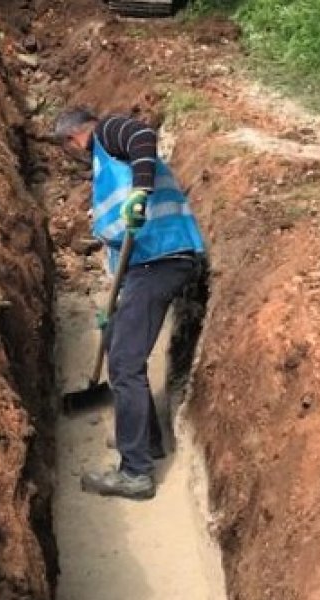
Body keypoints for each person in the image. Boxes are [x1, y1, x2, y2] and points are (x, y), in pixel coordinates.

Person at [54, 106, 208, 501]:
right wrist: (116, 303)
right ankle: (148, 443)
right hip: (145, 267)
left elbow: (143, 138)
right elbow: (120, 243)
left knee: (124, 363)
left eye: (67, 147)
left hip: (164, 257)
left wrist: (141, 191)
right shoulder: (104, 170)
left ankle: (136, 471)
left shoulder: (109, 133)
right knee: (124, 354)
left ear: (74, 138)